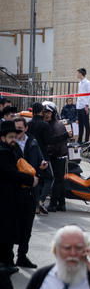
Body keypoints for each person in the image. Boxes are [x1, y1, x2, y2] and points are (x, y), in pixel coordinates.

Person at [0, 120, 37, 267]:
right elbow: (10, 173)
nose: (14, 140)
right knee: (5, 231)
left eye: (15, 136)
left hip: (17, 196)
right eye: (10, 137)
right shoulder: (2, 152)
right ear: (2, 137)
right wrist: (30, 179)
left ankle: (14, 258)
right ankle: (6, 262)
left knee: (18, 228)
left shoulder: (12, 149)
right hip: (5, 198)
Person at [13, 117, 47, 268]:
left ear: (26, 128)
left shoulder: (32, 142)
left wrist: (42, 167)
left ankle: (22, 256)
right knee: (12, 224)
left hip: (31, 190)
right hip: (15, 190)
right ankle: (7, 258)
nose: (18, 131)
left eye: (21, 128)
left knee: (27, 225)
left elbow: (40, 161)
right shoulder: (11, 145)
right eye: (16, 128)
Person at [43, 101, 69, 212]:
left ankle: (53, 204)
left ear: (53, 113)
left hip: (57, 156)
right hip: (60, 156)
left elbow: (55, 143)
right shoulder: (57, 124)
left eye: (48, 112)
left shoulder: (54, 125)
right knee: (60, 181)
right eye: (45, 112)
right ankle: (62, 204)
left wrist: (48, 153)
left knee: (56, 181)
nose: (46, 114)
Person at [27, 102, 52, 214]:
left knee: (35, 179)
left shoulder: (29, 124)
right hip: (43, 156)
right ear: (41, 111)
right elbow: (48, 141)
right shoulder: (44, 125)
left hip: (31, 155)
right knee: (49, 178)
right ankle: (41, 200)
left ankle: (36, 205)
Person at [75, 68, 90, 143]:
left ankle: (86, 140)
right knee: (80, 125)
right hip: (79, 106)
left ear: (81, 73)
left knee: (86, 124)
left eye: (78, 73)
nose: (77, 74)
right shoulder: (80, 83)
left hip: (84, 106)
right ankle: (79, 140)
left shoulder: (87, 83)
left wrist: (87, 105)